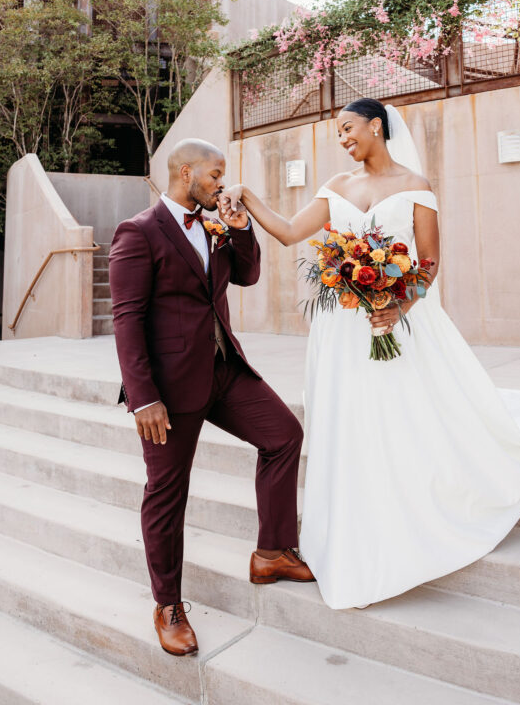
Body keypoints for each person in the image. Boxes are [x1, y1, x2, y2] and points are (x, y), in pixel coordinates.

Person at [219, 98, 520, 610]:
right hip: (340, 330)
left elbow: (428, 263)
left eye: (349, 128)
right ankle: (358, 515)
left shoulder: (415, 186)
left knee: (401, 411)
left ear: (377, 126)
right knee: (351, 417)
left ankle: (411, 505)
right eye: (339, 133)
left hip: (396, 318)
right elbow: (287, 233)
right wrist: (247, 197)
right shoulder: (336, 188)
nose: (344, 139)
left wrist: (396, 308)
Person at [109, 138, 314, 657]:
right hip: (169, 388)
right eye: (214, 174)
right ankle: (168, 606)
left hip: (224, 370)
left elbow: (246, 275)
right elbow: (127, 320)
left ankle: (271, 551)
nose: (222, 181)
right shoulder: (139, 232)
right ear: (185, 175)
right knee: (167, 493)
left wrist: (241, 227)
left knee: (284, 435)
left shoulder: (216, 224)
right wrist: (142, 398)